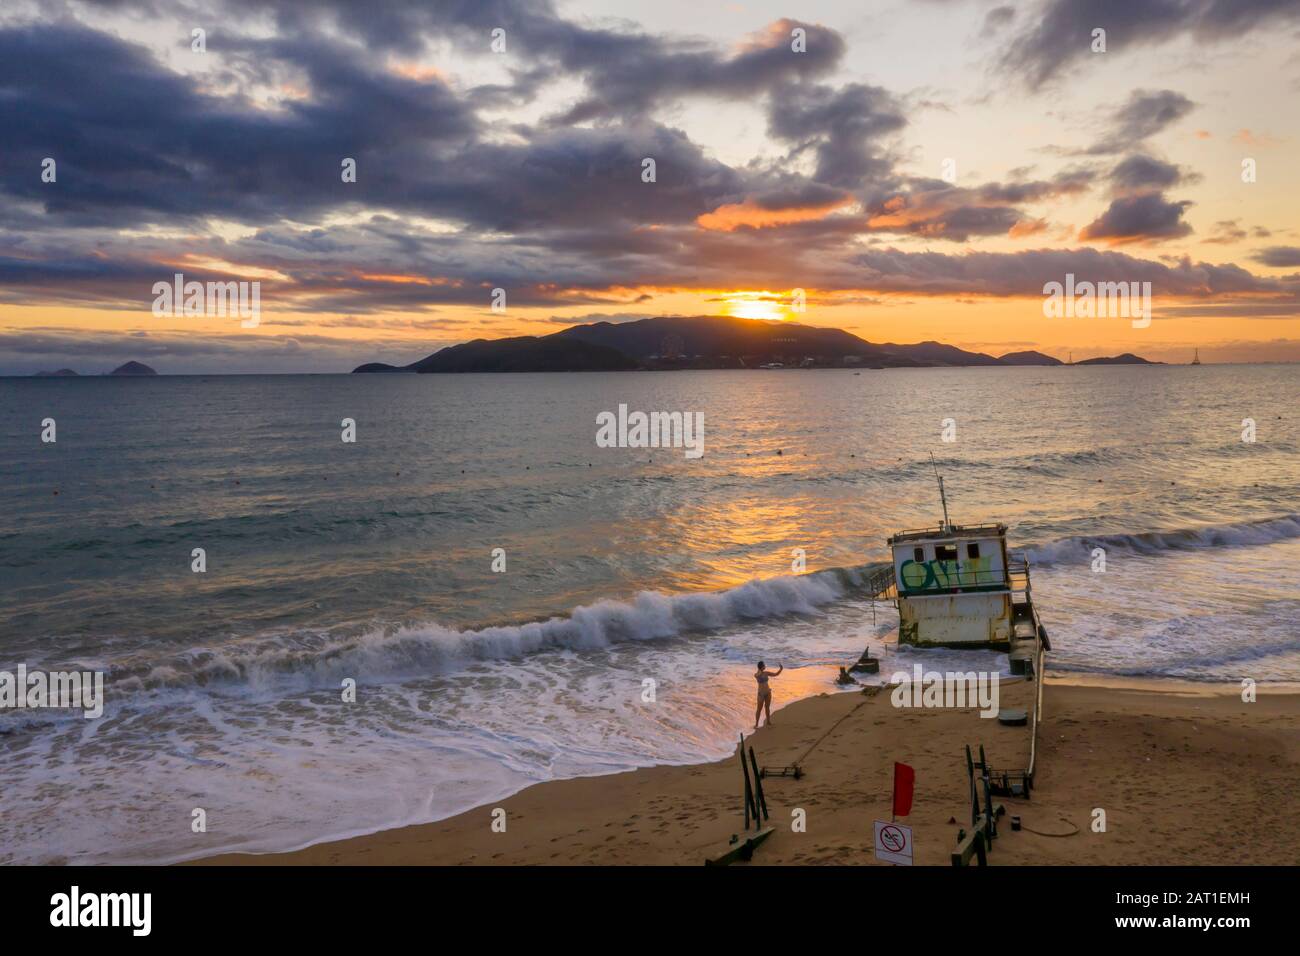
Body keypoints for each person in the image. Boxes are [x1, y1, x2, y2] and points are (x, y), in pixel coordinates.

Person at [754, 660, 783, 729]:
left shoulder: (766, 673)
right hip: (761, 694)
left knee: (767, 708)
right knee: (759, 709)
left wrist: (780, 669)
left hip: (768, 692)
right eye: (764, 665)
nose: (765, 666)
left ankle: (768, 722)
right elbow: (758, 675)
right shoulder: (756, 674)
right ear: (761, 667)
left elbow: (775, 674)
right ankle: (756, 724)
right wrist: (760, 670)